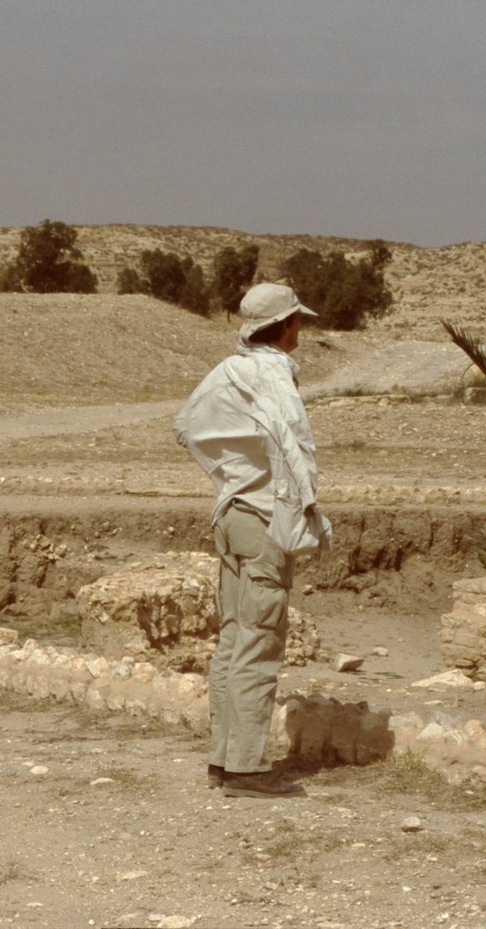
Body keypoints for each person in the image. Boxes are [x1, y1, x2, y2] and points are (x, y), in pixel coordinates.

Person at [174, 282, 331, 798]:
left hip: (230, 514)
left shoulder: (228, 370)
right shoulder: (272, 373)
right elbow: (294, 445)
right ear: (286, 326)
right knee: (259, 643)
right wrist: (302, 508)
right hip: (263, 519)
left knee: (234, 638)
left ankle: (223, 760)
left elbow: (185, 426)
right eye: (297, 321)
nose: (299, 328)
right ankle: (246, 769)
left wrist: (232, 469)